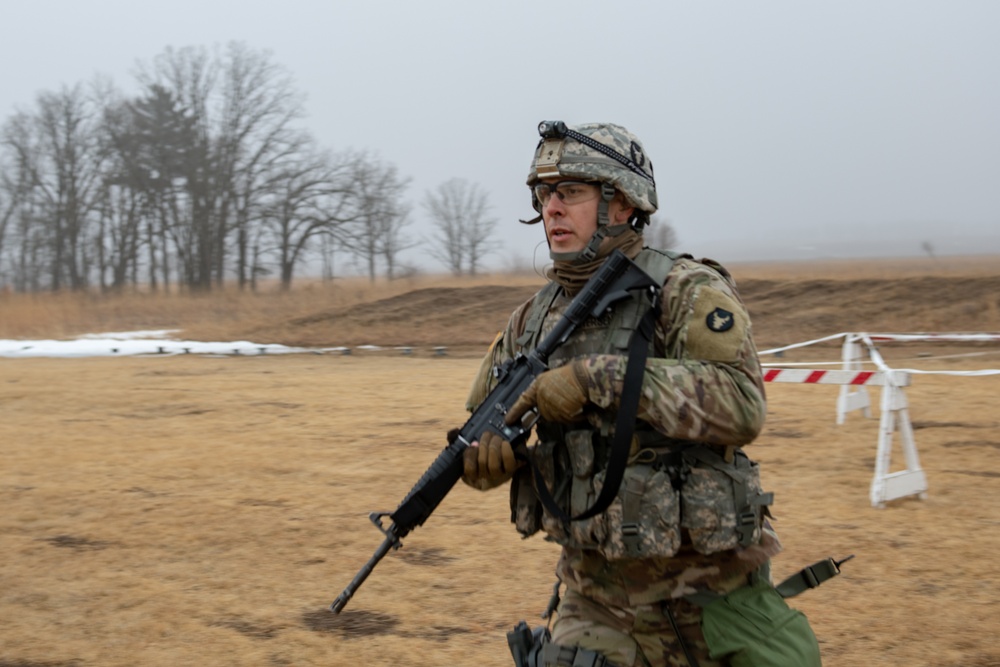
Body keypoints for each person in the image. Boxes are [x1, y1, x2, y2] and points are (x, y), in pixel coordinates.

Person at [461, 121, 822, 667]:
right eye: (544, 194)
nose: (552, 208)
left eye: (571, 192)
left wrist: (596, 379)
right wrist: (491, 461)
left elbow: (741, 404)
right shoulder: (530, 322)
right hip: (595, 605)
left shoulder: (685, 290)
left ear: (623, 203)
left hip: (711, 597)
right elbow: (483, 426)